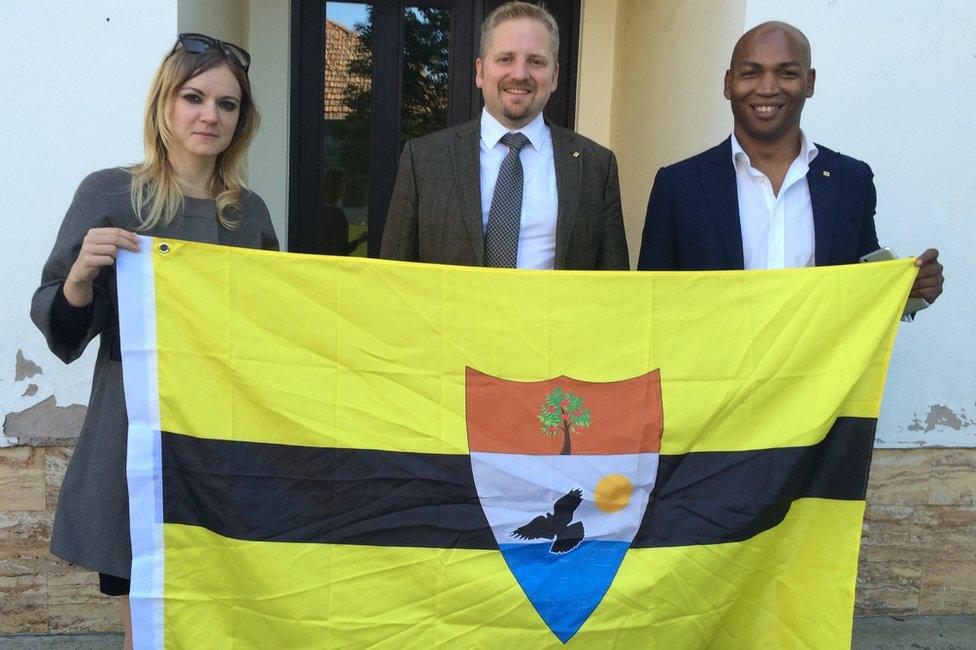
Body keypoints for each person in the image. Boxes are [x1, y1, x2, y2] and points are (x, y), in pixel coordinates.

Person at [30, 33, 279, 646]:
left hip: (223, 433)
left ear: (241, 120)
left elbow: (274, 330)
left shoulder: (249, 216)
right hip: (135, 430)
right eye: (194, 97)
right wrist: (82, 277)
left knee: (223, 592)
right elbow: (60, 328)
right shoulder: (110, 194)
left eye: (228, 105)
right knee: (146, 596)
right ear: (165, 104)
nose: (210, 115)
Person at [636, 21, 944, 307]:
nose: (767, 88)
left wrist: (910, 290)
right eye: (750, 73)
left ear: (809, 83)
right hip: (712, 367)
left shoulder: (850, 182)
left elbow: (864, 293)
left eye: (787, 73)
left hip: (818, 367)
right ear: (728, 84)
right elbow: (651, 304)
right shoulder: (678, 186)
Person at [381, 1, 629, 270]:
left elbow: (613, 287)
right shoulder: (423, 160)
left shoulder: (596, 166)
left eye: (535, 61)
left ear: (554, 76)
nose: (520, 74)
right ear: (480, 71)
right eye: (505, 59)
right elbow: (394, 278)